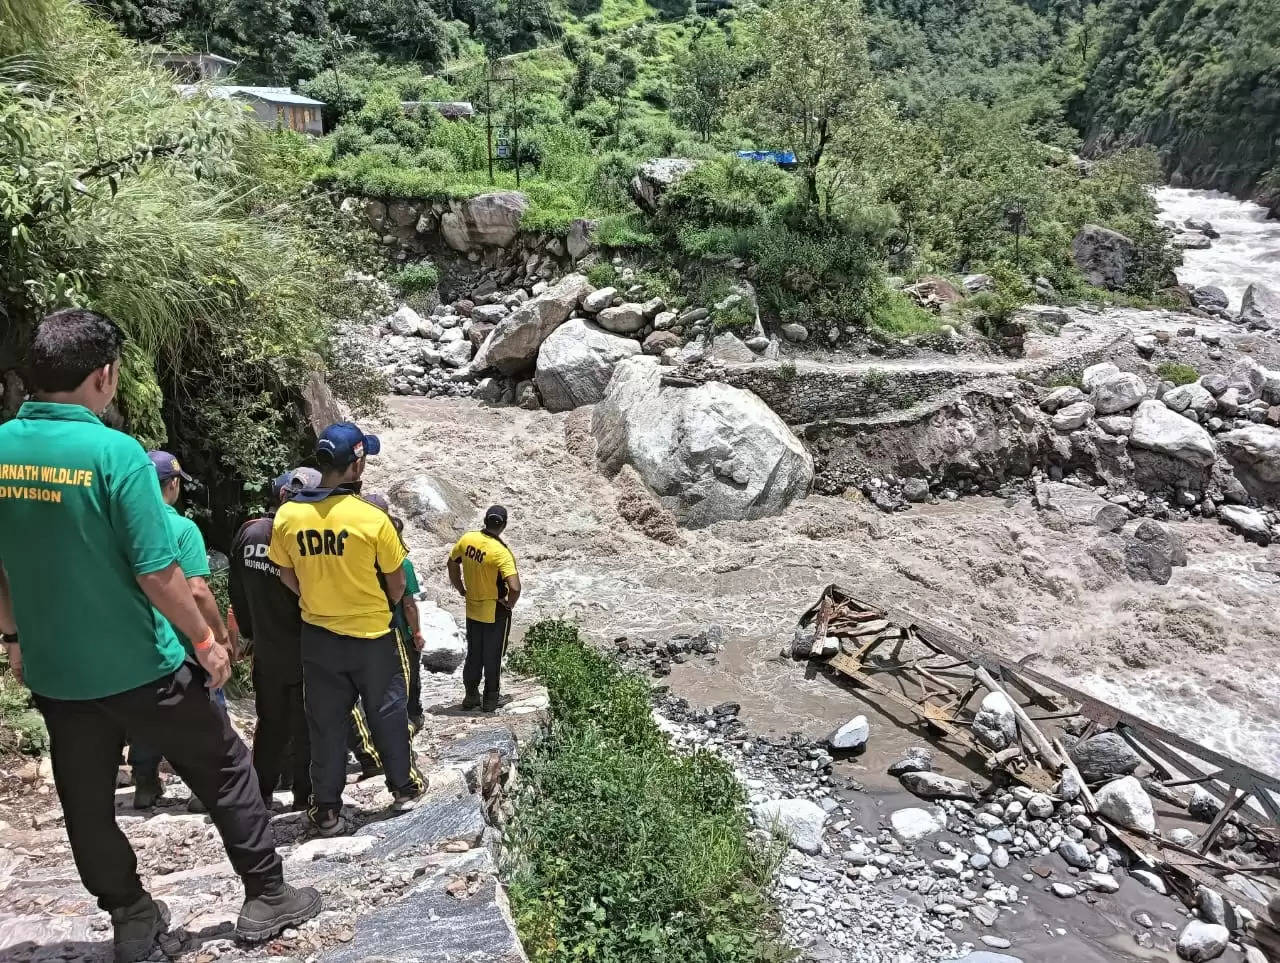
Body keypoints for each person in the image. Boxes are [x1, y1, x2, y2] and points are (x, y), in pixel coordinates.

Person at [0, 309, 320, 962]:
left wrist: (13, 638)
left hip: (60, 672)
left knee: (86, 801)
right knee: (225, 767)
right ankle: (266, 893)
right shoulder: (116, 454)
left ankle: (130, 913)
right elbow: (159, 572)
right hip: (143, 667)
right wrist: (206, 641)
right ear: (105, 375)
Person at [268, 423, 424, 837]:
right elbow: (397, 583)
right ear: (356, 463)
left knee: (325, 725)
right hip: (372, 637)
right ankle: (403, 789)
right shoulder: (372, 519)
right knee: (388, 713)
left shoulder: (288, 515)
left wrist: (318, 598)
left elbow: (286, 574)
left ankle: (327, 811)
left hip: (318, 637)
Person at [130, 450, 231, 811]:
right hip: (185, 639)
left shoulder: (120, 525)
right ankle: (204, 790)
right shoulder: (183, 529)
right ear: (172, 485)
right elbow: (198, 590)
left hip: (140, 636)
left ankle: (144, 782)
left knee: (146, 711)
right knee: (205, 710)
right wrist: (218, 635)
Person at [229, 467, 320, 813]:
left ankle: (262, 792)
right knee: (306, 724)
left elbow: (237, 592)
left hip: (266, 649)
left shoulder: (248, 533)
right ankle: (304, 794)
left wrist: (250, 634)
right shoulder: (299, 537)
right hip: (303, 646)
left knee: (270, 724)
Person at [447, 506, 521, 712]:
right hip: (495, 611)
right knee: (493, 656)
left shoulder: (467, 539)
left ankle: (471, 696)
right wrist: (510, 603)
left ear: (485, 520)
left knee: (474, 654)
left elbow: (452, 563)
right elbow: (514, 587)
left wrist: (460, 587)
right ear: (504, 525)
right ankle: (491, 699)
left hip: (472, 607)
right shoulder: (500, 552)